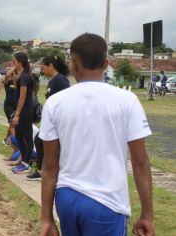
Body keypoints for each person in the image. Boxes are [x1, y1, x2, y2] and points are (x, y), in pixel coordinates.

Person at [40, 33, 154, 236]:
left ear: (73, 64)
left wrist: (46, 217)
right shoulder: (127, 100)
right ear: (106, 64)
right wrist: (147, 214)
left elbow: (49, 165)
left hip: (67, 197)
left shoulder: (55, 103)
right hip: (107, 201)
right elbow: (140, 163)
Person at [28, 56, 70, 181]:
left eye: (43, 67)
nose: (42, 70)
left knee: (41, 141)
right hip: (51, 119)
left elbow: (67, 100)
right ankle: (42, 171)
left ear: (51, 65)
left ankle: (48, 172)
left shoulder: (61, 80)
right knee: (40, 141)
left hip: (59, 120)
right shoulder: (52, 80)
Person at [10, 52, 39, 174]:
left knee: (26, 137)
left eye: (14, 61)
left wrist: (17, 115)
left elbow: (22, 98)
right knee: (18, 136)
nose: (12, 64)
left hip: (26, 111)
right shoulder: (22, 75)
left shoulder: (25, 77)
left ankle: (26, 163)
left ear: (20, 62)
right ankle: (23, 160)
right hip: (23, 110)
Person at [2, 68, 18, 146]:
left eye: (13, 74)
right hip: (8, 106)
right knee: (12, 124)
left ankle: (6, 139)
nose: (11, 75)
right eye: (10, 74)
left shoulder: (20, 83)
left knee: (13, 124)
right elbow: (8, 75)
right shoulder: (7, 82)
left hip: (17, 106)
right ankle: (15, 143)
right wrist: (14, 67)